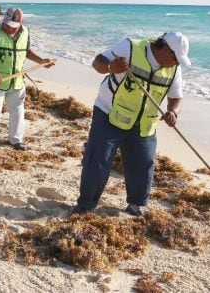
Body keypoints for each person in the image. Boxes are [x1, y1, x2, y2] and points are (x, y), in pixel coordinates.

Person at [71, 32, 191, 217]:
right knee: (99, 161)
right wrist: (112, 67)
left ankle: (136, 205)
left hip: (144, 122)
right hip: (109, 114)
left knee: (143, 163)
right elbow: (97, 63)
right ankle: (86, 206)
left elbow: (176, 98)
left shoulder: (174, 69)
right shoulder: (130, 47)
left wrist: (173, 112)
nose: (177, 63)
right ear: (165, 49)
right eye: (176, 57)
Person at [0, 7, 55, 150]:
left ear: (20, 23)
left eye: (13, 26)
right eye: (7, 24)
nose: (9, 28)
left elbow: (26, 51)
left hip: (17, 81)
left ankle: (16, 140)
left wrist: (41, 61)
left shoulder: (25, 32)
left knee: (18, 111)